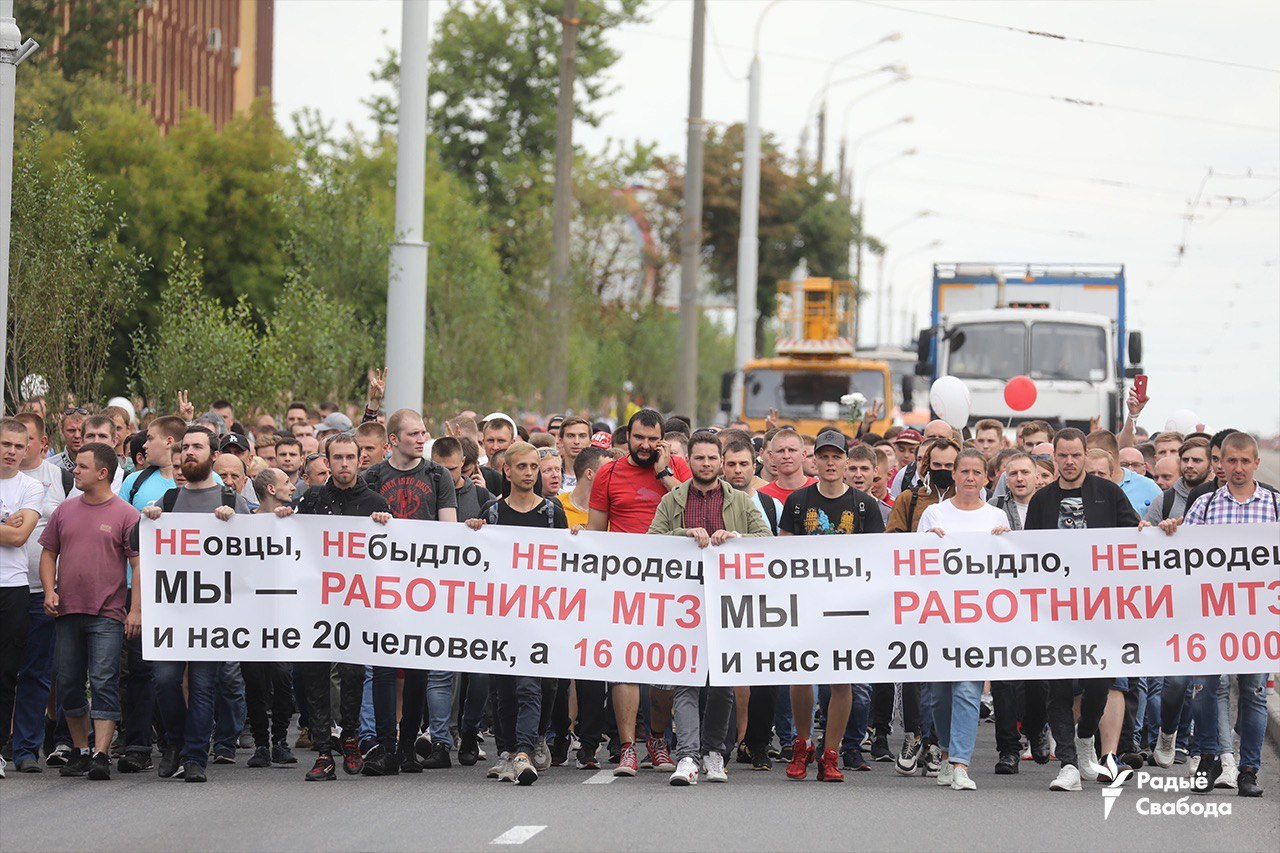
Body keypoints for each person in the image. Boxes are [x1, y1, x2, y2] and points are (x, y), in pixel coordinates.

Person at [1149, 432, 1274, 798]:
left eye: (1243, 462)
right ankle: (1209, 757)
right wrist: (1171, 530)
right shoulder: (1205, 503)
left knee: (1253, 692)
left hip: (1256, 617)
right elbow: (1186, 553)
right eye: (1229, 461)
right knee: (1205, 690)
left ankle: (1249, 768)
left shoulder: (1274, 504)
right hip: (1211, 613)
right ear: (1221, 464)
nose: (1236, 468)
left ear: (1255, 463)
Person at [649, 430, 769, 786]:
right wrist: (683, 534)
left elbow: (768, 541)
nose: (706, 464)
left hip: (728, 606)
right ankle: (686, 756)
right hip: (683, 604)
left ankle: (714, 753)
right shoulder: (673, 500)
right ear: (689, 461)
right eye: (698, 458)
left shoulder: (743, 502)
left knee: (722, 684)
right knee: (686, 681)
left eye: (711, 458)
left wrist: (736, 539)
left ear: (721, 461)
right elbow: (651, 542)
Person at [1025, 427, 1141, 792]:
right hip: (1056, 610)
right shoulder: (1042, 500)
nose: (1070, 462)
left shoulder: (1108, 493)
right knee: (1058, 688)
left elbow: (1135, 535)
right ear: (1054, 457)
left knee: (1097, 684)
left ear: (1085, 454)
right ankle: (1069, 764)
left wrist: (1154, 530)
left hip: (1100, 610)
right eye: (1063, 456)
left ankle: (1086, 739)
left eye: (1076, 455)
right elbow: (1026, 552)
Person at [139, 427, 251, 783]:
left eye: (197, 447)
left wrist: (235, 526)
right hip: (173, 612)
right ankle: (175, 743)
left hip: (213, 613)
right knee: (165, 680)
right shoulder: (169, 501)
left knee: (204, 686)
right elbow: (134, 540)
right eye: (185, 447)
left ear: (213, 455)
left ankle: (194, 757)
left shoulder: (233, 501)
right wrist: (148, 519)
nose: (189, 452)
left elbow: (262, 549)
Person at [586, 409, 691, 776]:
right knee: (625, 664)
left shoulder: (678, 468)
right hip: (623, 583)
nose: (645, 445)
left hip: (672, 582)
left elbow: (693, 512)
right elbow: (596, 531)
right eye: (639, 438)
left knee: (663, 665)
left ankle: (658, 740)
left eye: (652, 439)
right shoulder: (608, 472)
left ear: (661, 439)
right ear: (627, 437)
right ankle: (628, 747)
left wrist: (665, 474)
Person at [780, 431, 884, 783]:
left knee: (842, 680)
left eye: (835, 457)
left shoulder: (864, 506)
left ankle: (831, 753)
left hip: (846, 606)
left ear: (844, 461)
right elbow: (784, 554)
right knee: (801, 674)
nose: (829, 463)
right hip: (806, 603)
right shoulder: (797, 501)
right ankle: (802, 741)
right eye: (823, 457)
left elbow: (876, 559)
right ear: (814, 460)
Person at [465, 441, 568, 785]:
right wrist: (474, 534)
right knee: (503, 688)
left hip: (541, 613)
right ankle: (508, 751)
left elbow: (568, 560)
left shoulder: (553, 513)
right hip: (502, 613)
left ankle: (525, 750)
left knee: (531, 684)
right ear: (506, 470)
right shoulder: (492, 513)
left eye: (533, 467)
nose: (528, 473)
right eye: (521, 467)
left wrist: (577, 540)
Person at [37, 442, 140, 781]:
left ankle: (101, 754)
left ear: (102, 473)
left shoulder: (126, 514)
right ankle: (81, 750)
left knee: (103, 681)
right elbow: (49, 553)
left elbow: (138, 565)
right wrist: (50, 591)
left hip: (107, 613)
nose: (74, 471)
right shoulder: (65, 510)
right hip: (66, 611)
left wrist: (134, 609)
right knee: (67, 683)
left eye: (81, 466)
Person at [363, 409, 458, 774]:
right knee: (385, 666)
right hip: (384, 585)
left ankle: (406, 747)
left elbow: (447, 529)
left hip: (424, 587)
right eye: (414, 434)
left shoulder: (437, 475)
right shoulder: (373, 476)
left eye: (423, 433)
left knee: (418, 667)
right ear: (393, 440)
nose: (422, 439)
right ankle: (386, 746)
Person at [296, 432, 392, 781]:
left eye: (350, 457)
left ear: (359, 459)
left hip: (357, 603)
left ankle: (349, 736)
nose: (345, 464)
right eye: (337, 458)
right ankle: (324, 750)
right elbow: (292, 543)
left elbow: (390, 558)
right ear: (327, 461)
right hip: (317, 602)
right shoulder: (312, 498)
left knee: (353, 672)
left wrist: (386, 527)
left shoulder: (375, 502)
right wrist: (279, 519)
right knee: (315, 674)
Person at [918, 449, 1012, 791]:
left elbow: (1008, 570)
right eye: (964, 472)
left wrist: (1006, 541)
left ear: (986, 478)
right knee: (939, 694)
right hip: (940, 617)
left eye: (977, 472)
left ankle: (961, 763)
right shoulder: (933, 513)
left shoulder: (997, 515)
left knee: (968, 690)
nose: (970, 478)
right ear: (954, 475)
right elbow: (917, 563)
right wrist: (928, 543)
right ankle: (945, 752)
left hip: (979, 618)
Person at [9, 414, 76, 773]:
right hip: (7, 589)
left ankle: (26, 749)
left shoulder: (58, 478)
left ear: (40, 443)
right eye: (10, 442)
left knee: (37, 673)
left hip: (41, 590)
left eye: (24, 441)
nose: (17, 449)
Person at [987, 451, 1050, 770]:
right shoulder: (993, 510)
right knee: (1003, 679)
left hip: (1042, 603)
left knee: (1038, 679)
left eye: (1026, 472)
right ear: (1005, 479)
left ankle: (1037, 729)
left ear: (1038, 476)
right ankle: (1008, 749)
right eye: (1013, 474)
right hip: (1002, 603)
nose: (1020, 479)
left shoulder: (1051, 507)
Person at [240, 468, 298, 769]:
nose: (292, 486)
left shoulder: (294, 520)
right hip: (250, 614)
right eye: (287, 482)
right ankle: (262, 744)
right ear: (271, 489)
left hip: (283, 612)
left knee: (282, 675)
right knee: (254, 680)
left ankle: (280, 741)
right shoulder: (244, 523)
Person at [0, 418, 46, 779]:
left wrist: (14, 528)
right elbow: (10, 530)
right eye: (5, 444)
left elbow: (19, 538)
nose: (12, 452)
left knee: (7, 672)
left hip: (14, 585)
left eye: (18, 445)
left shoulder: (31, 487)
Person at [1144, 436, 1210, 524]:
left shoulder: (1221, 496)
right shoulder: (1163, 501)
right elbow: (1147, 534)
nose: (1189, 465)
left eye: (1196, 460)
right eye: (1185, 460)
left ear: (1211, 464)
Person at [757, 429, 815, 505]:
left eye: (792, 450)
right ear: (772, 457)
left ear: (803, 455)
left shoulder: (820, 489)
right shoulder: (761, 496)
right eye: (780, 451)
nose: (786, 456)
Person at [557, 446, 608, 531]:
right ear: (589, 474)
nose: (614, 477)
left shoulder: (614, 511)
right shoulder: (555, 506)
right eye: (608, 471)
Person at [557, 416, 592, 492]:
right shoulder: (552, 474)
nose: (576, 441)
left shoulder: (598, 474)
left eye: (582, 436)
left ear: (590, 442)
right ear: (561, 441)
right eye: (570, 436)